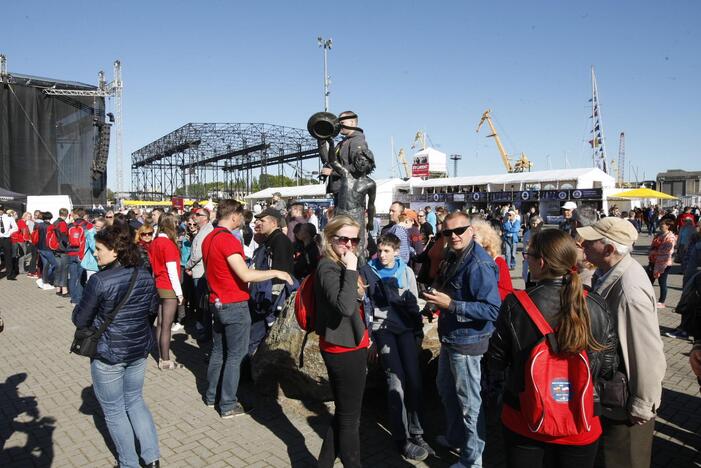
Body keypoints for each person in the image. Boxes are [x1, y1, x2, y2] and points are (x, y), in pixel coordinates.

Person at [486, 229, 617, 468]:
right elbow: (608, 366)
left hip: (525, 418)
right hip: (580, 418)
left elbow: (496, 361)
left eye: (528, 254)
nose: (525, 258)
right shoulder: (596, 302)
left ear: (541, 262)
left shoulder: (516, 305)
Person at [578, 217, 666, 468]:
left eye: (591, 241)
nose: (583, 244)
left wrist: (642, 403)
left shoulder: (629, 291)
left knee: (623, 459)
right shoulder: (610, 273)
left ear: (609, 249)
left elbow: (646, 352)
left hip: (626, 403)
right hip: (615, 396)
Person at [71, 225, 160, 468]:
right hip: (138, 350)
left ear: (115, 251)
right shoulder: (143, 274)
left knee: (114, 411)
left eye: (99, 249)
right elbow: (151, 311)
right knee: (135, 401)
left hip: (109, 355)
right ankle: (152, 458)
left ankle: (128, 463)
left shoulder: (99, 281)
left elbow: (80, 320)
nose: (96, 253)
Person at [423, 211, 501, 467]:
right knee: (446, 390)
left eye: (459, 231)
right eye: (448, 232)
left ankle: (472, 460)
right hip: (452, 337)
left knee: (469, 403)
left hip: (468, 341)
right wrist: (435, 301)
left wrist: (452, 304)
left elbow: (492, 309)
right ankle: (456, 438)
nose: (453, 236)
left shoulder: (479, 263)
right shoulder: (455, 255)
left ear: (471, 231)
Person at [202, 200, 292, 418]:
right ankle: (227, 404)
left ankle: (211, 395)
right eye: (242, 217)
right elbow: (245, 275)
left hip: (217, 301)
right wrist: (275, 273)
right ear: (234, 216)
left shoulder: (208, 238)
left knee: (218, 351)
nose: (245, 221)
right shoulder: (227, 240)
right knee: (236, 356)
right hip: (233, 303)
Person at [359, 233, 433, 461]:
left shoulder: (406, 271)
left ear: (396, 251)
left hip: (406, 331)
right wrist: (370, 340)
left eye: (387, 251)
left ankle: (417, 432)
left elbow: (413, 304)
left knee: (415, 379)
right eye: (380, 250)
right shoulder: (368, 272)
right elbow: (365, 308)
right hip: (383, 331)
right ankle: (401, 438)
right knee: (395, 381)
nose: (381, 255)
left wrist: (418, 332)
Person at [315, 215, 370, 468]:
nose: (349, 244)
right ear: (330, 238)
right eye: (343, 239)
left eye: (354, 240)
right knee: (350, 419)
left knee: (344, 414)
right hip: (343, 348)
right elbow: (346, 307)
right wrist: (351, 268)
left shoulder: (339, 262)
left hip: (351, 343)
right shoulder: (328, 266)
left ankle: (324, 463)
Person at [249, 208, 295, 356]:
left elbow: (281, 273)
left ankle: (249, 372)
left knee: (257, 338)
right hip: (261, 296)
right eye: (258, 220)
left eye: (262, 220)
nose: (258, 223)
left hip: (269, 300)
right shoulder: (268, 239)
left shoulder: (280, 240)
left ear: (274, 222)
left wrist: (273, 303)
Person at [148, 213, 184, 370]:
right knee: (167, 325)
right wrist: (179, 292)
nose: (177, 226)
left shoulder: (155, 242)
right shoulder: (168, 244)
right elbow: (172, 271)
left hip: (158, 284)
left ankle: (160, 355)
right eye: (175, 223)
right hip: (168, 285)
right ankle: (165, 359)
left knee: (161, 323)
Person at [185, 207, 214, 340]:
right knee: (202, 302)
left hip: (200, 272)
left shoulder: (205, 231)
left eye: (198, 214)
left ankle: (205, 329)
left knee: (202, 303)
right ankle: (204, 328)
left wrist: (188, 265)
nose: (195, 216)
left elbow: (197, 254)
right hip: (200, 270)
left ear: (205, 218)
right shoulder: (205, 230)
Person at [472, 218, 514, 300]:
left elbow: (507, 292)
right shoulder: (466, 259)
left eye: (474, 237)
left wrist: (482, 290)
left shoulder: (498, 262)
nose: (469, 240)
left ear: (485, 240)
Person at [647, 218, 676, 308]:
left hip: (664, 263)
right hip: (653, 261)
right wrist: (652, 251)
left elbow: (666, 251)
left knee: (662, 282)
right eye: (660, 224)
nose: (660, 225)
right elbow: (652, 246)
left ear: (668, 226)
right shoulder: (658, 235)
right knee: (648, 281)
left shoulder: (670, 237)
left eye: (662, 224)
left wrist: (654, 251)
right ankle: (646, 298)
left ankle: (661, 302)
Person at [81, 217, 106, 282]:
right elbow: (93, 247)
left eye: (99, 227)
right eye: (96, 226)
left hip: (101, 262)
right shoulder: (91, 233)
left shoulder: (104, 233)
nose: (97, 228)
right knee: (91, 282)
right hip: (92, 262)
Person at [522, 215, 543, 287]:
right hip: (529, 261)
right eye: (533, 223)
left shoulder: (543, 235)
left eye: (537, 223)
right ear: (530, 223)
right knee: (529, 284)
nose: (535, 225)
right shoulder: (527, 234)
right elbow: (525, 249)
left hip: (540, 262)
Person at [0, 204, 19, 280]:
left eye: (1, 210)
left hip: (6, 239)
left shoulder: (9, 217)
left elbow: (15, 227)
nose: (0, 212)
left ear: (3, 210)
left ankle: (9, 275)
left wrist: (9, 232)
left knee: (8, 257)